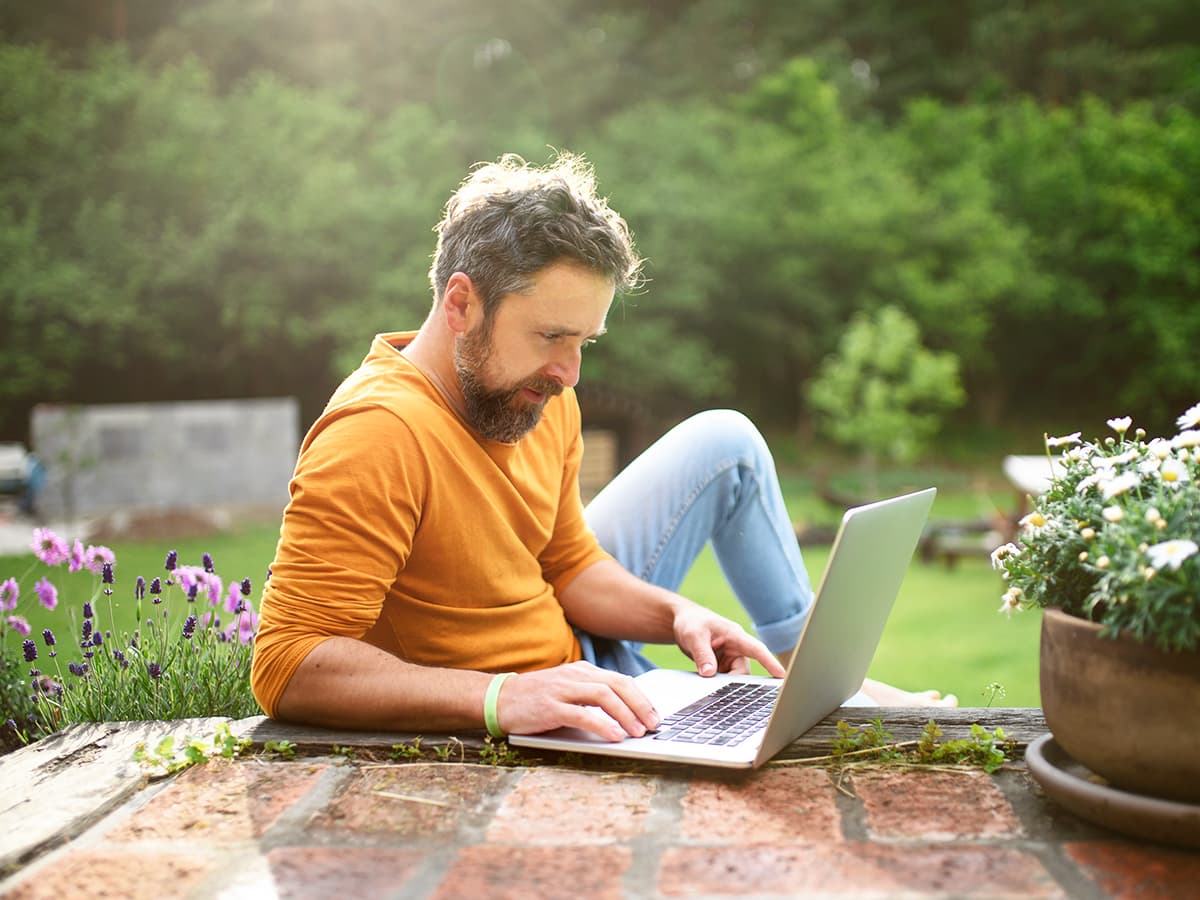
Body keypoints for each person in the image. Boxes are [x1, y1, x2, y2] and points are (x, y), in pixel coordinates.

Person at [250, 153, 953, 742]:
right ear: (461, 305)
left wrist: (672, 613)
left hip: (587, 666)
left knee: (728, 441)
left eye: (584, 343)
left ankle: (818, 683)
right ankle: (832, 700)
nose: (570, 374)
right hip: (540, 701)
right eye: (553, 337)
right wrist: (500, 700)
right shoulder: (379, 433)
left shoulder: (535, 394)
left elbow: (568, 562)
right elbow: (286, 662)